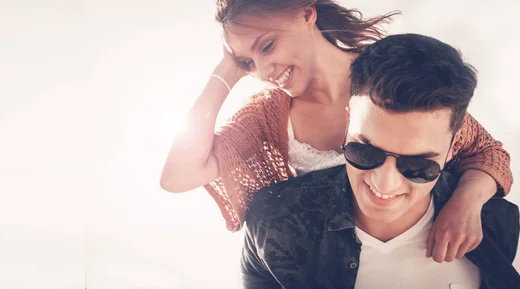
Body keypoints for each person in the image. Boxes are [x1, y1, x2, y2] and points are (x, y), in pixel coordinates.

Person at [160, 0, 513, 262]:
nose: (264, 70)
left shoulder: (384, 77)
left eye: (267, 46)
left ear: (306, 13)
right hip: (333, 272)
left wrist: (467, 201)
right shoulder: (266, 118)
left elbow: (485, 153)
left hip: (430, 257)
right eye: (247, 62)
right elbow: (178, 176)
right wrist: (225, 73)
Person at [241, 33, 520, 289]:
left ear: (453, 145)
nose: (384, 182)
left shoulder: (493, 223)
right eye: (366, 152)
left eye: (418, 165)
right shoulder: (273, 228)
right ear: (349, 120)